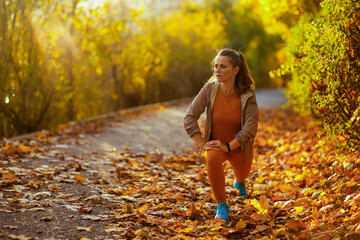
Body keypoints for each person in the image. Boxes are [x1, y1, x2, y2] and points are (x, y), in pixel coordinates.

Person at [184, 48, 259, 221]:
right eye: (216, 66)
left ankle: (239, 182)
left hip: (239, 147)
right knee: (212, 157)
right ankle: (222, 205)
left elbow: (250, 128)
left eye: (223, 66)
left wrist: (228, 146)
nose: (217, 70)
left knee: (242, 174)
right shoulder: (209, 90)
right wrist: (203, 144)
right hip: (216, 145)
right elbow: (189, 117)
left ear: (235, 70)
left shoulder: (248, 95)